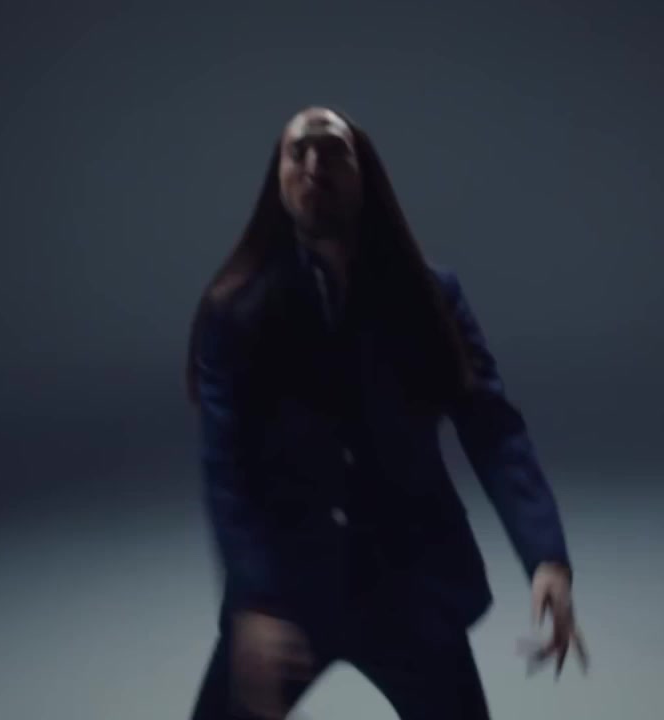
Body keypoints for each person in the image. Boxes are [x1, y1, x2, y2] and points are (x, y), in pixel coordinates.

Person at [185, 106, 588, 719]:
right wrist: (256, 603)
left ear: (364, 172)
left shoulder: (429, 297)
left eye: (332, 149)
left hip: (409, 589)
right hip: (287, 599)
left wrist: (546, 557)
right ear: (278, 178)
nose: (314, 164)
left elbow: (493, 428)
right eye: (298, 152)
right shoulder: (234, 311)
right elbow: (226, 471)